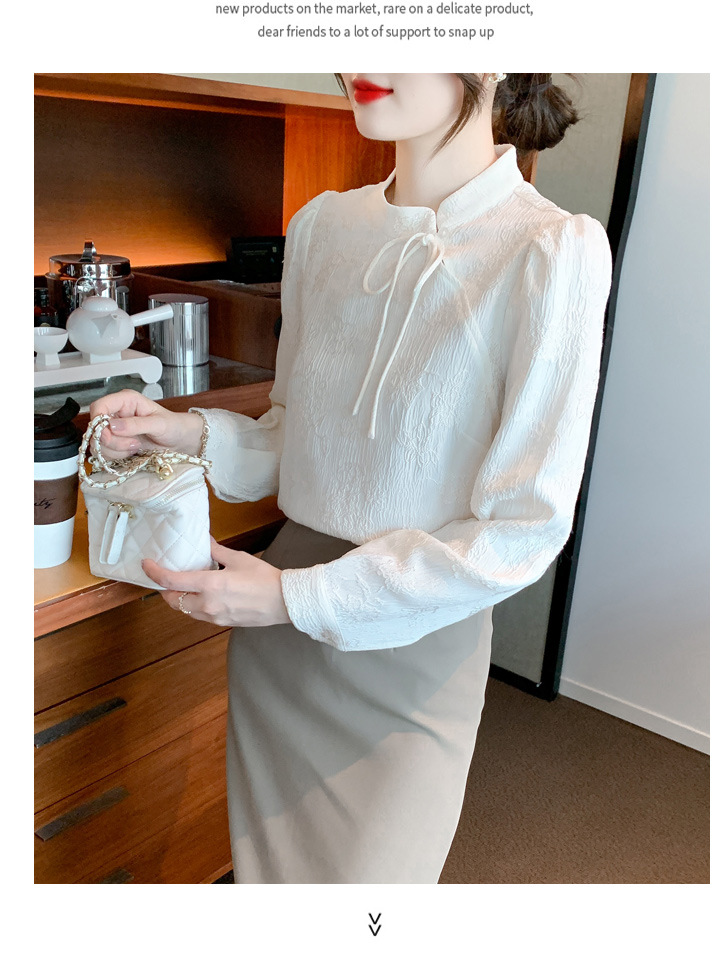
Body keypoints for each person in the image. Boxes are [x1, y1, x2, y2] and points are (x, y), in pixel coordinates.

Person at [90, 73, 613, 884]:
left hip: (413, 652)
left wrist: (294, 597)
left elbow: (523, 529)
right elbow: (298, 439)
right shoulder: (324, 226)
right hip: (279, 642)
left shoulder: (551, 249)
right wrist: (186, 431)